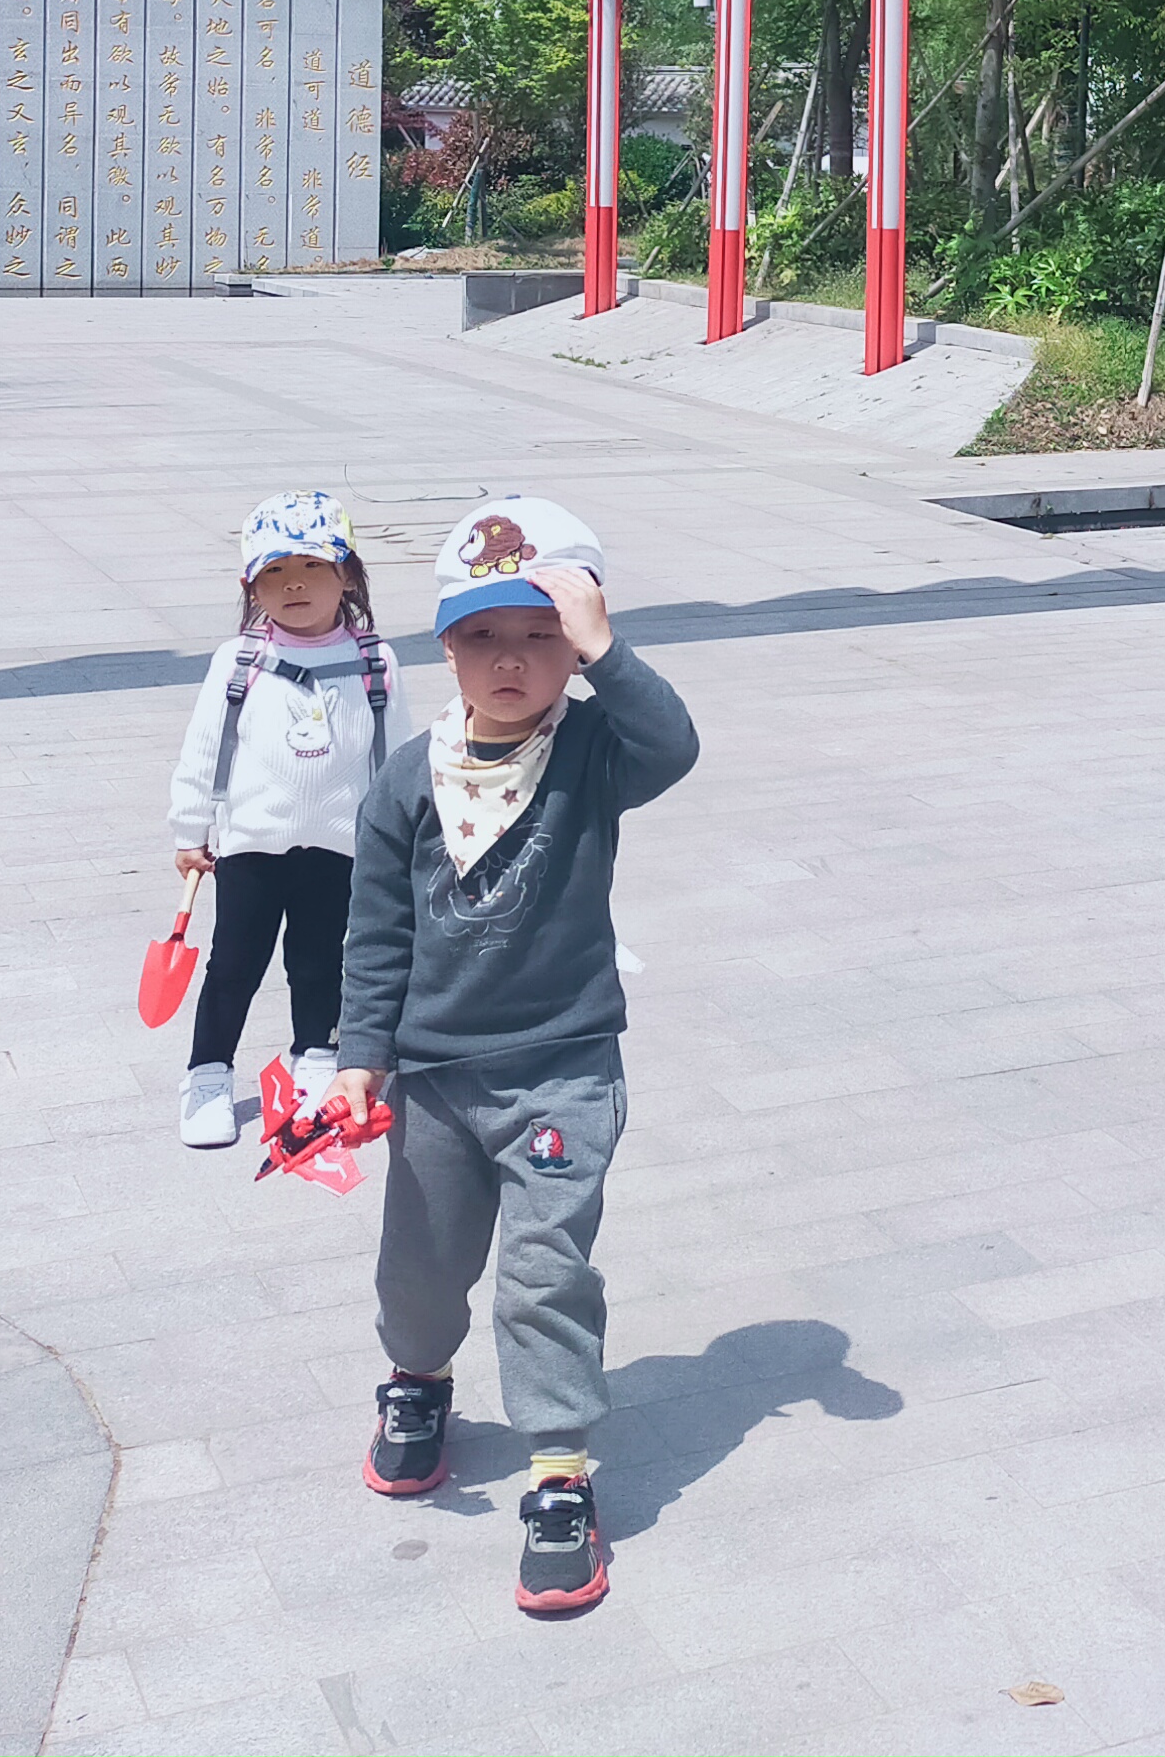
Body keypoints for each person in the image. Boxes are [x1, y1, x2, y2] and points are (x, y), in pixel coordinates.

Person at [333, 495, 698, 1620]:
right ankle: (418, 1381)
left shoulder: (591, 753)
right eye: (484, 635)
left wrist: (608, 651)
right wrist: (360, 1055)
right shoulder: (408, 779)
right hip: (438, 1078)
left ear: (575, 648)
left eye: (542, 637)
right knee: (420, 1267)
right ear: (446, 649)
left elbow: (673, 746)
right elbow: (376, 931)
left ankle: (559, 1473)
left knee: (546, 1274)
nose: (510, 660)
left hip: (563, 1069)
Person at [168, 492, 397, 1151]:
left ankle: (315, 1060)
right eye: (274, 572)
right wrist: (190, 832)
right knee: (233, 965)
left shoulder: (376, 660)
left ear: (347, 575)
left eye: (312, 567)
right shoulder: (237, 660)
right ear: (252, 586)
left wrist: (403, 839)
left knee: (321, 962)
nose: (294, 584)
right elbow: (204, 748)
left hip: (342, 844)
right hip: (251, 845)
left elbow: (396, 755)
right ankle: (208, 1075)